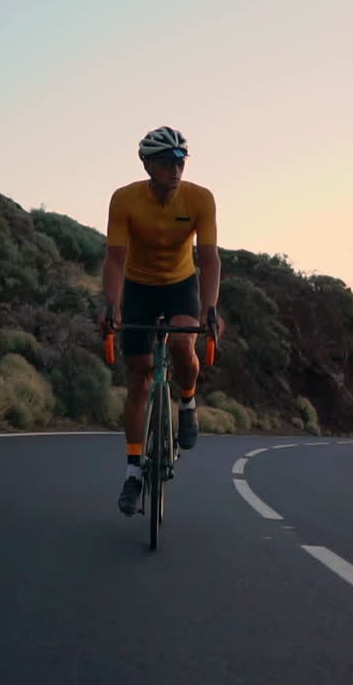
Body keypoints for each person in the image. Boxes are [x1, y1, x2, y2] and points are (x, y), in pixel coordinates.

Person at [100, 126, 222, 516]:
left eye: (180, 161)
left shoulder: (200, 198)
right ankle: (134, 469)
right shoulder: (124, 199)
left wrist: (210, 309)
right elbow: (115, 259)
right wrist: (112, 307)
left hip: (180, 285)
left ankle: (187, 404)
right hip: (137, 286)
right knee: (139, 375)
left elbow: (210, 259)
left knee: (184, 343)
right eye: (167, 162)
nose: (176, 169)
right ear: (148, 164)